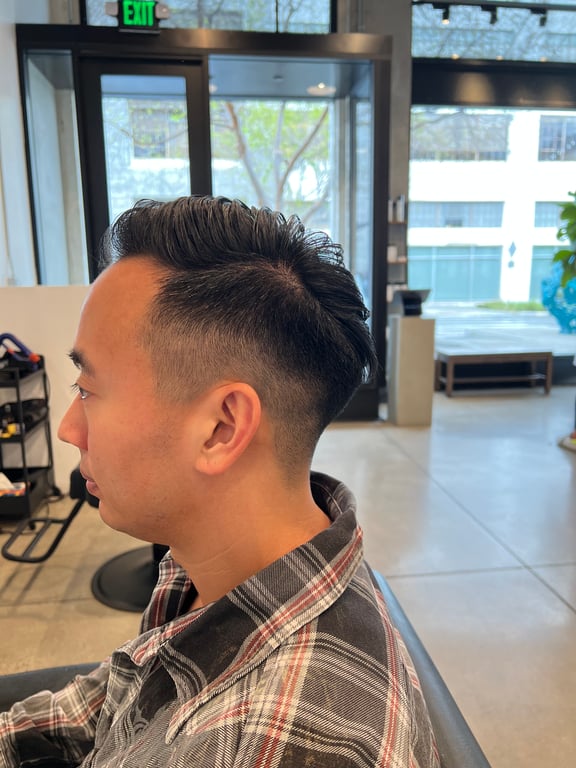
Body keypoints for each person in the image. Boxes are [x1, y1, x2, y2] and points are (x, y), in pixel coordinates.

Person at [0, 196, 439, 768]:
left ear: (221, 428)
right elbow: (114, 705)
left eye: (88, 390)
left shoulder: (274, 745)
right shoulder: (217, 564)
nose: (67, 428)